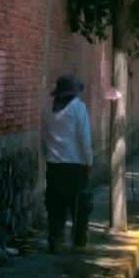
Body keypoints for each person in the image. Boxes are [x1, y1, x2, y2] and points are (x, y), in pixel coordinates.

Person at [42, 74, 93, 252]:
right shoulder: (78, 108)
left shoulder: (49, 109)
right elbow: (84, 138)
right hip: (75, 166)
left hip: (54, 165)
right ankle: (78, 241)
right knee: (79, 207)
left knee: (55, 206)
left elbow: (44, 136)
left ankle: (55, 239)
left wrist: (47, 155)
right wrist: (89, 161)